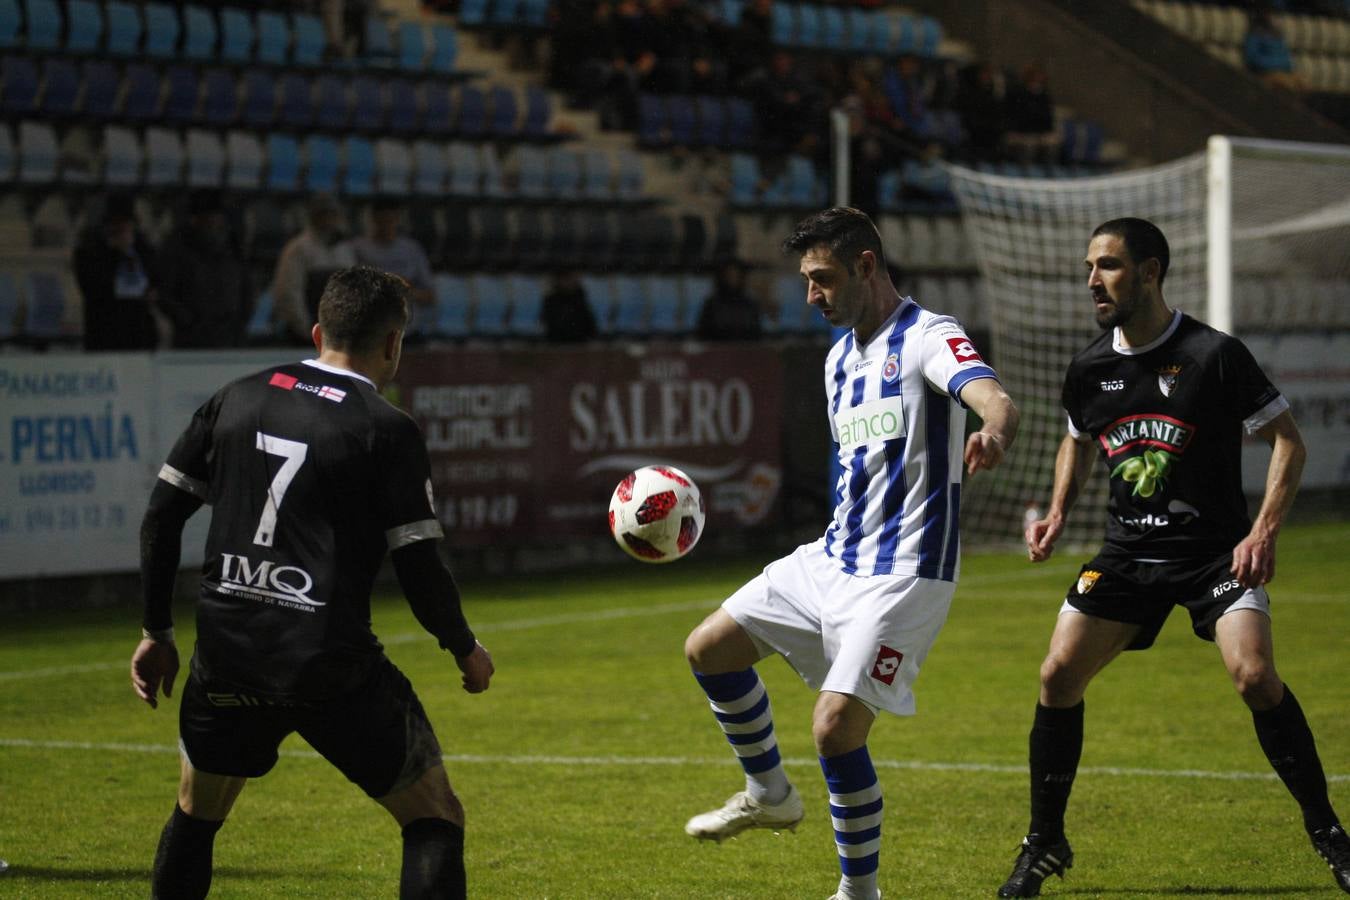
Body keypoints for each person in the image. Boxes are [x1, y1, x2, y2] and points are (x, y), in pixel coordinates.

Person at [997, 218, 1349, 898]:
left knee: (1254, 675)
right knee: (1057, 675)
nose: (1092, 280)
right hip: (1128, 556)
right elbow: (1075, 438)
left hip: (1215, 556)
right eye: (1090, 266)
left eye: (1108, 266)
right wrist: (1060, 509)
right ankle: (1044, 841)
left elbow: (1289, 442)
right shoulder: (1090, 365)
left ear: (1151, 271)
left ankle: (1330, 834)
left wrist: (1263, 531)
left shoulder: (1213, 354)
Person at [682, 207, 1019, 900]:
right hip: (834, 558)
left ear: (867, 266)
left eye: (822, 279)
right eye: (806, 280)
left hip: (906, 571)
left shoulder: (929, 337)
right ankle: (769, 793)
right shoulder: (838, 360)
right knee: (708, 647)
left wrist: (992, 428)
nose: (811, 296)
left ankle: (858, 894)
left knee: (836, 729)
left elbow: (993, 396)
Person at [130, 265, 494, 900]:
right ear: (392, 344)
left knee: (197, 815)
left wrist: (156, 631)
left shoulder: (236, 395)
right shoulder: (388, 428)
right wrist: (462, 644)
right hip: (328, 666)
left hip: (228, 658)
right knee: (434, 819)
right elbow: (418, 563)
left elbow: (162, 517)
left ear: (319, 329)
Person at [156, 190, 253, 349]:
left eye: (216, 216)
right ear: (194, 219)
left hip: (230, 337)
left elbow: (246, 290)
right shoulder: (176, 250)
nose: (213, 221)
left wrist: (239, 322)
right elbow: (165, 294)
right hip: (192, 340)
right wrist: (188, 322)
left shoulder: (233, 248)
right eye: (208, 217)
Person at [71, 193, 159, 351]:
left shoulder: (143, 249)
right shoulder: (90, 251)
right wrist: (115, 253)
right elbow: (92, 289)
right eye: (117, 224)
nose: (122, 229)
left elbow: (155, 278)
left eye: (126, 223)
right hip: (105, 332)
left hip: (139, 332)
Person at [271, 194, 356, 345]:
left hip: (338, 338)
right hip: (305, 336)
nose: (329, 219)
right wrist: (306, 331)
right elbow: (289, 293)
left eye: (333, 213)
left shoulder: (345, 249)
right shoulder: (299, 248)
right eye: (324, 213)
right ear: (313, 216)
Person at [351, 197, 436, 311]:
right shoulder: (358, 247)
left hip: (407, 317)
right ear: (373, 219)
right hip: (371, 313)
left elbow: (430, 295)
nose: (386, 225)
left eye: (390, 220)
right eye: (382, 220)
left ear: (398, 219)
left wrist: (403, 292)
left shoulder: (412, 249)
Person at [1242, 8, 1308, 92]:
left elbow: (1286, 56)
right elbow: (1253, 58)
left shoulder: (1277, 35)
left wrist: (1286, 66)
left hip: (1284, 72)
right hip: (1266, 73)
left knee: (1303, 83)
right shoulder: (1255, 34)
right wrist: (1275, 65)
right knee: (1286, 84)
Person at [696, 260, 762, 340]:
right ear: (722, 277)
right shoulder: (711, 304)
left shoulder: (750, 304)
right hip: (718, 349)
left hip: (745, 349)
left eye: (736, 275)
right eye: (729, 275)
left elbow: (756, 334)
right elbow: (703, 334)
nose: (732, 279)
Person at [540, 270, 599, 342]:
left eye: (571, 278)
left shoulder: (580, 299)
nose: (568, 282)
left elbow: (590, 324)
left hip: (581, 342)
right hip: (556, 343)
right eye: (565, 278)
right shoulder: (551, 300)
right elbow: (546, 323)